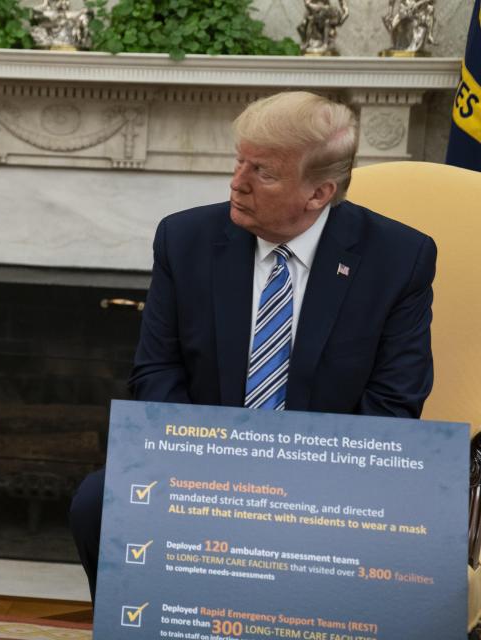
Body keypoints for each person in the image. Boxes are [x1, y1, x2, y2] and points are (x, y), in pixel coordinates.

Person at [69, 91, 436, 600]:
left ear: (318, 193)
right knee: (96, 502)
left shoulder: (400, 259)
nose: (237, 183)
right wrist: (216, 473)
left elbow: (395, 403)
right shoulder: (185, 238)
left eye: (263, 172)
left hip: (331, 482)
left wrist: (291, 486)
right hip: (200, 466)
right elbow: (156, 372)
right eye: (239, 160)